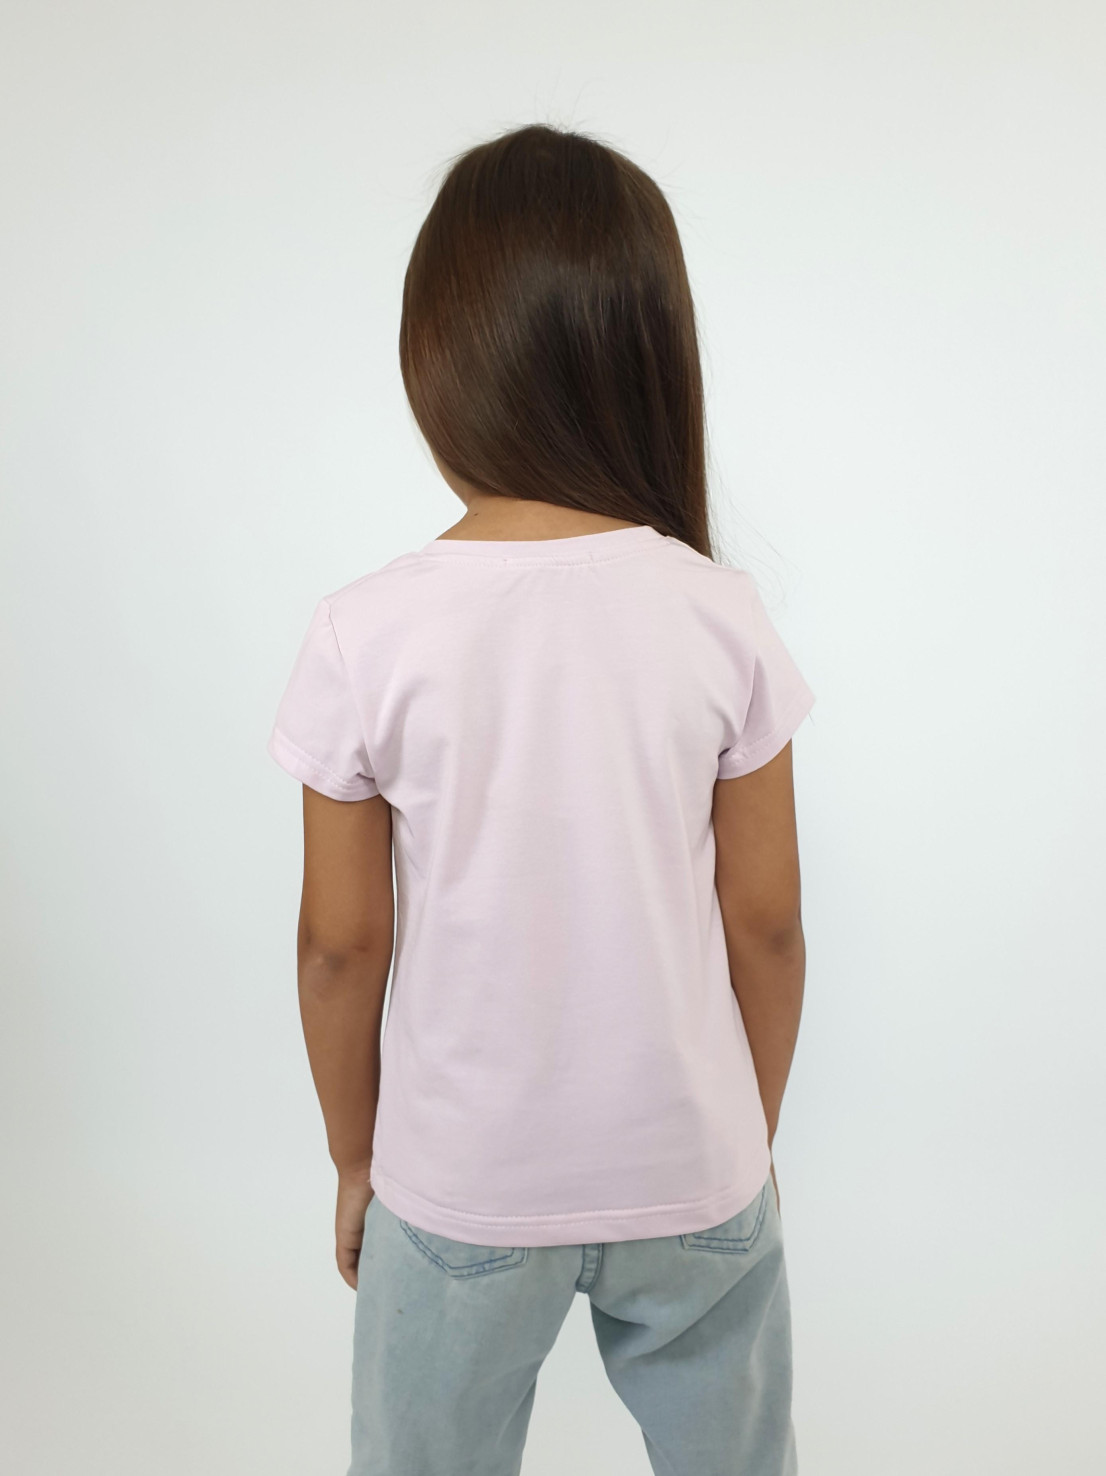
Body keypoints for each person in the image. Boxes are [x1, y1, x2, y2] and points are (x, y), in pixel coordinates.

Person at [267, 122, 816, 1476]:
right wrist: (740, 1144)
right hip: (694, 1172)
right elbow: (766, 926)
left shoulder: (363, 632)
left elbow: (339, 943)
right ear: (647, 357)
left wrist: (356, 1160)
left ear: (437, 362)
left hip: (460, 1186)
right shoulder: (720, 613)